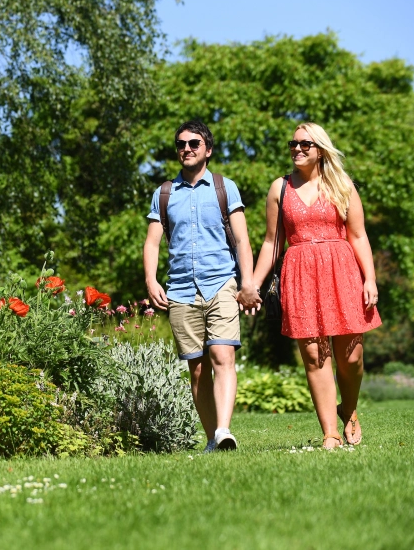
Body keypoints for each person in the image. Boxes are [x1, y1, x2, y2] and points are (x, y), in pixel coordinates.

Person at [248, 122, 382, 449]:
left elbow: (359, 235)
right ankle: (330, 433)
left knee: (351, 357)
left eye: (305, 144)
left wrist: (370, 278)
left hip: (342, 270)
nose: (297, 149)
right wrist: (252, 282)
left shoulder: (342, 185)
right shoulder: (280, 188)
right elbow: (270, 241)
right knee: (314, 355)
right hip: (300, 273)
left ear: (320, 149)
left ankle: (348, 409)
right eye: (293, 143)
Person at [144, 120, 261, 452]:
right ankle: (213, 439)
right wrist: (151, 280)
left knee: (222, 354)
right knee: (197, 370)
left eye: (194, 143)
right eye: (181, 144)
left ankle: (224, 430)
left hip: (221, 282)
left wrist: (248, 282)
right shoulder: (164, 194)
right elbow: (152, 243)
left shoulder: (225, 187)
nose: (187, 149)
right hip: (180, 289)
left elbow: (241, 239)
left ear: (207, 150)